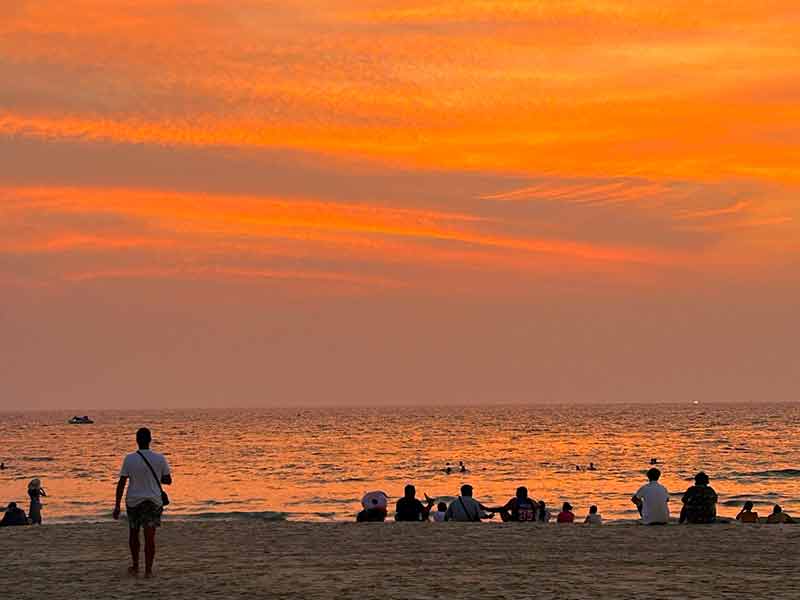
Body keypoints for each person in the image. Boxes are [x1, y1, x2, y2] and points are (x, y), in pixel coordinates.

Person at [113, 427, 172, 578]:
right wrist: (156, 477)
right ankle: (148, 570)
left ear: (136, 440)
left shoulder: (129, 459)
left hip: (133, 501)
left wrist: (117, 505)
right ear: (150, 440)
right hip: (153, 501)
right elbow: (168, 480)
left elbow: (121, 483)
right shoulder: (160, 458)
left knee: (133, 534)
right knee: (149, 537)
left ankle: (135, 565)